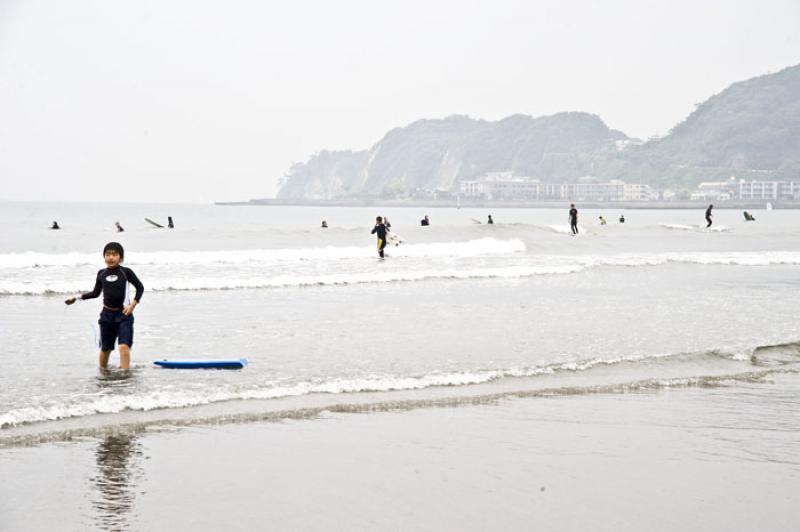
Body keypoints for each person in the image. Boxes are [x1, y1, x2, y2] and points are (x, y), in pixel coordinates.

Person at [64, 242, 144, 371]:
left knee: (124, 346)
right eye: (108, 255)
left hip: (124, 315)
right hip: (107, 316)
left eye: (114, 255)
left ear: (121, 258)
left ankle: (125, 375)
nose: (111, 257)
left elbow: (140, 287)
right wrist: (76, 298)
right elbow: (95, 293)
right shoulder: (101, 273)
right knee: (105, 349)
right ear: (104, 257)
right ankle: (103, 373)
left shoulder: (126, 272)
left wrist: (132, 305)